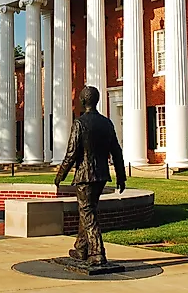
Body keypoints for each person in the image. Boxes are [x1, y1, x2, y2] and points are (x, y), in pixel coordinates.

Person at [54, 85, 126, 266]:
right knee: (87, 210)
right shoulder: (107, 123)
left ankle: (97, 252)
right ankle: (81, 248)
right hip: (101, 175)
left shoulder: (80, 123)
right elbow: (116, 151)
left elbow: (71, 153)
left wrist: (61, 174)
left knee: (87, 212)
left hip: (86, 175)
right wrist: (121, 175)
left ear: (84, 100)